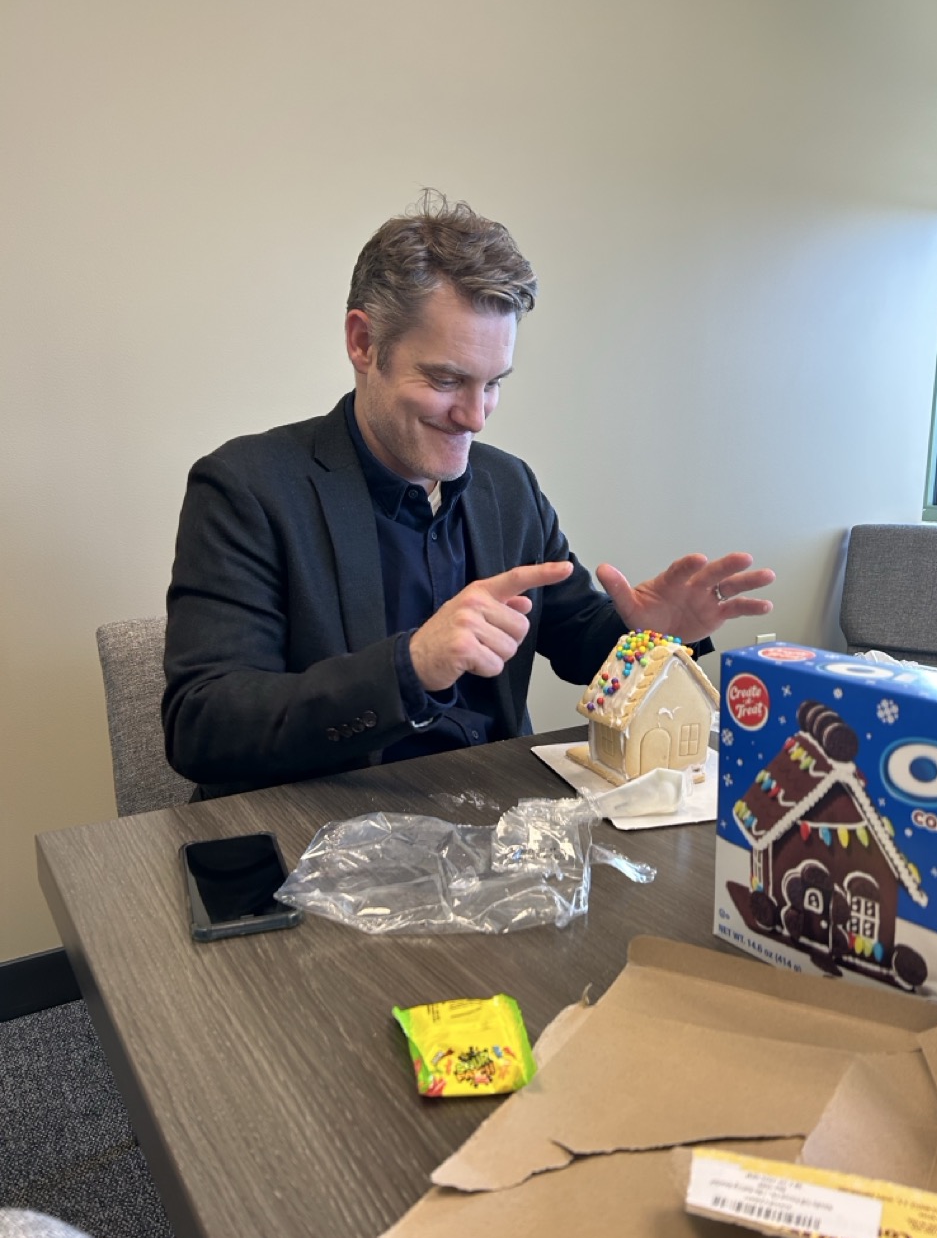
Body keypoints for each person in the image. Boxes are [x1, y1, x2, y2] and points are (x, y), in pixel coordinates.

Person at [163, 191, 774, 800]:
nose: (476, 417)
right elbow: (202, 725)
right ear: (363, 342)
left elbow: (578, 644)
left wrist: (654, 639)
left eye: (493, 383)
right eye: (446, 379)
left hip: (500, 816)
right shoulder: (247, 487)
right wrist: (409, 667)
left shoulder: (509, 487)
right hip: (321, 821)